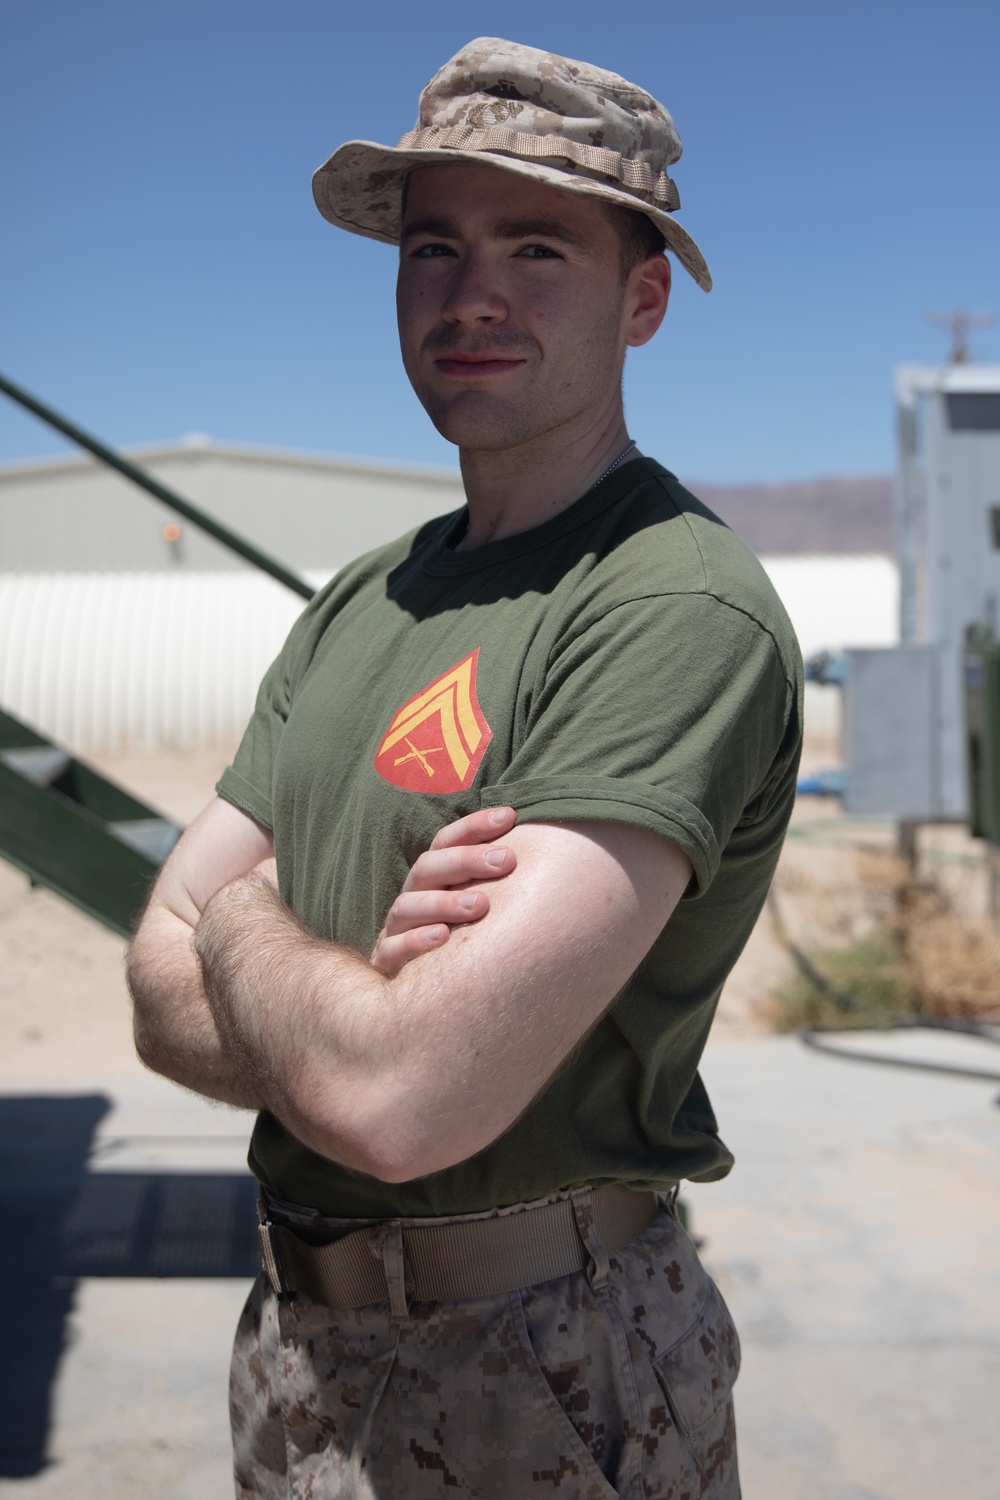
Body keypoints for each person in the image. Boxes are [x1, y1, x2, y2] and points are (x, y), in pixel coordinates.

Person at [127, 36, 802, 1500]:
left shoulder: (665, 603)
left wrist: (245, 923)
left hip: (542, 1373)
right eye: (434, 244)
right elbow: (149, 1003)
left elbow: (405, 1102)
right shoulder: (368, 599)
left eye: (537, 246)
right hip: (294, 1349)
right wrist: (351, 1004)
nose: (470, 293)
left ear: (643, 301)